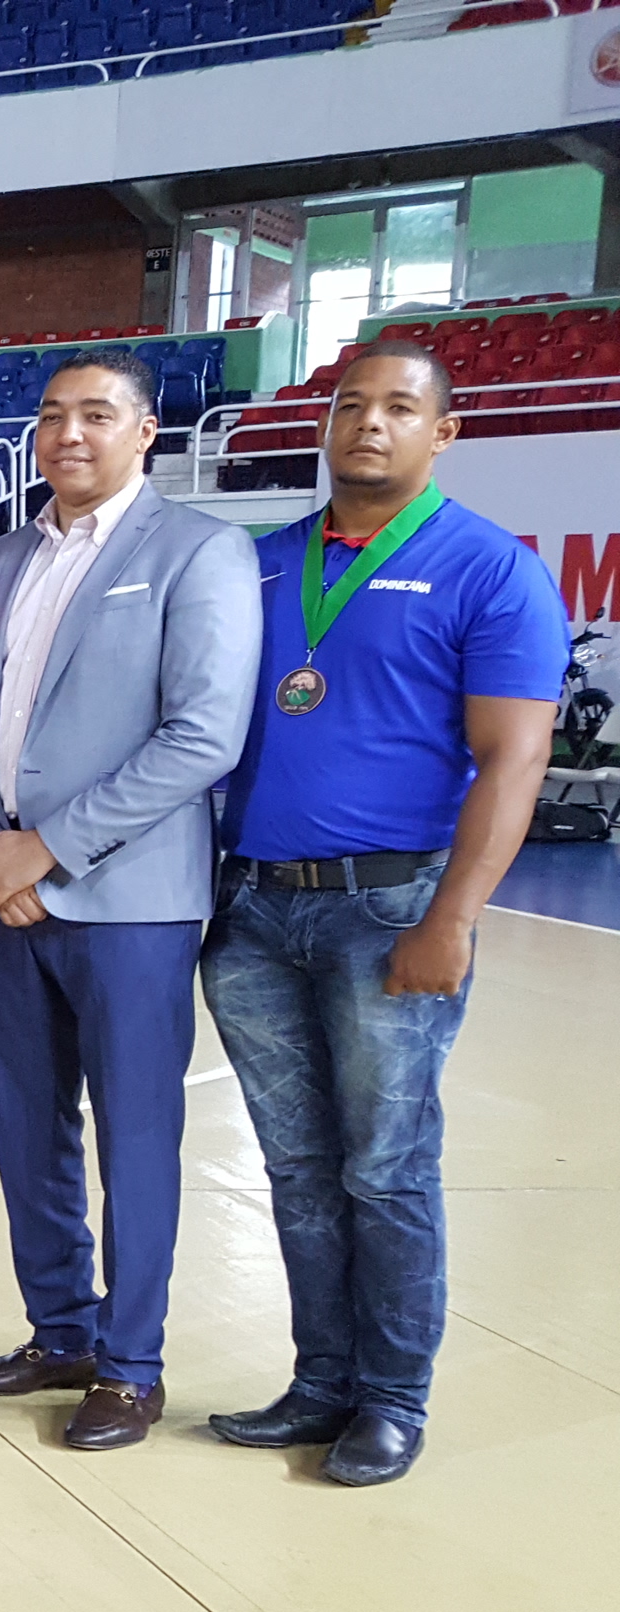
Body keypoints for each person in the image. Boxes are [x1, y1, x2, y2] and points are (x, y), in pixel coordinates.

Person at [200, 342, 561, 1486]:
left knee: (386, 1167)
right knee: (298, 1167)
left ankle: (392, 1399)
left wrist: (452, 917)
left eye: (400, 408)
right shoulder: (259, 564)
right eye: (351, 405)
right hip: (255, 908)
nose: (369, 425)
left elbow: (514, 759)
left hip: (391, 906)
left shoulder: (489, 570)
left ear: (442, 435)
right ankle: (319, 1383)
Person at [0, 350, 264, 1451]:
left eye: (95, 415)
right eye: (51, 416)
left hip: (130, 902)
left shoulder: (200, 552)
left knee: (136, 1137)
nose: (68, 433)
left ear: (146, 435)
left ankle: (131, 1365)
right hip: (10, 895)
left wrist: (51, 849)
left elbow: (203, 736)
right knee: (28, 1134)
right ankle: (61, 1332)